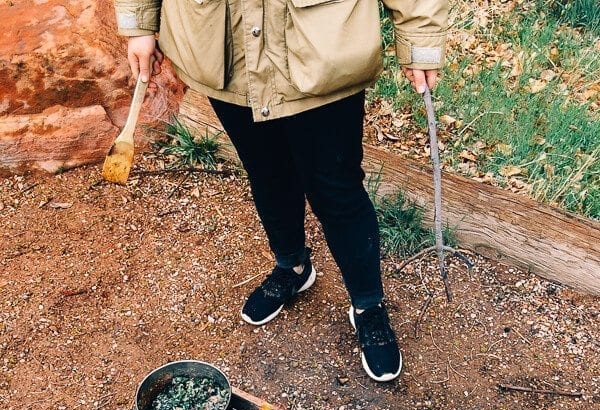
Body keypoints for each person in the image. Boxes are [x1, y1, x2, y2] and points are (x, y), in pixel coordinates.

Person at [113, 0, 448, 381]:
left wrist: (420, 37)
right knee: (266, 172)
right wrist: (139, 23)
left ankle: (368, 305)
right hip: (224, 47)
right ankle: (293, 266)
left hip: (322, 49)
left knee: (336, 189)